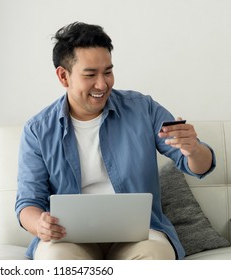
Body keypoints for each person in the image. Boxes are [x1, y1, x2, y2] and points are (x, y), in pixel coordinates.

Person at [15, 22, 215, 260]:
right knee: (55, 259)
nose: (102, 84)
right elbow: (28, 202)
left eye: (108, 72)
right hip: (70, 239)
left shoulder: (143, 109)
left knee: (154, 256)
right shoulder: (38, 130)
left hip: (138, 237)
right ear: (63, 76)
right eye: (90, 75)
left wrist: (193, 150)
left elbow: (199, 166)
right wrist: (40, 224)